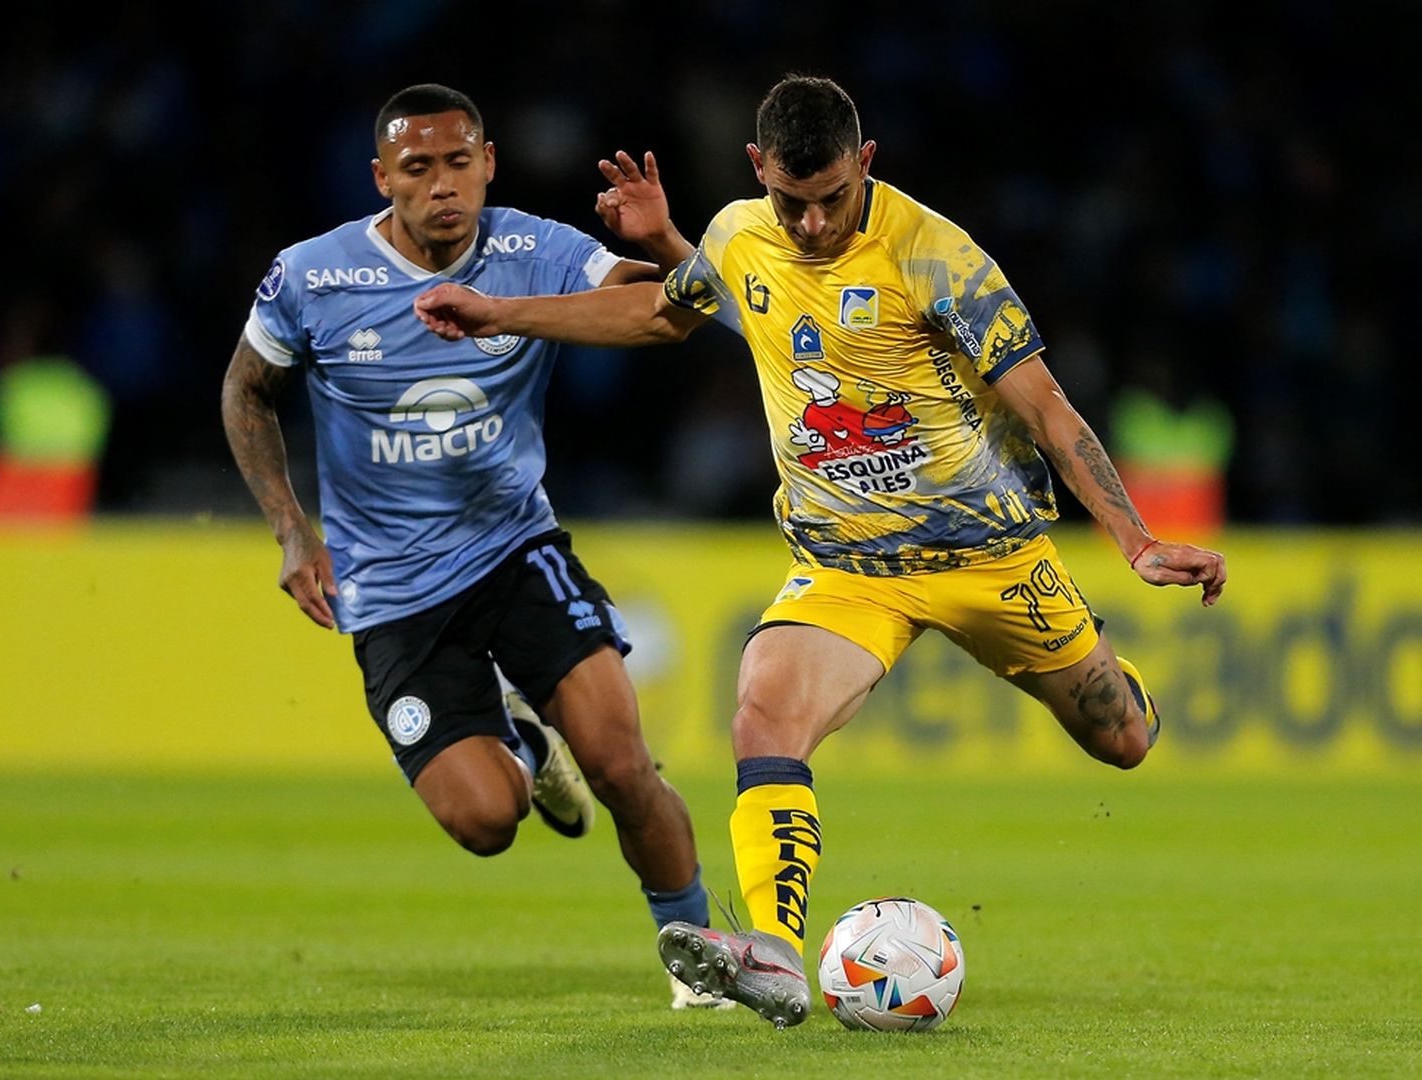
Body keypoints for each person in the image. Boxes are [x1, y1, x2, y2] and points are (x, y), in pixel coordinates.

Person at [413, 75, 1228, 1029]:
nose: (808, 224)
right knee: (762, 717)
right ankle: (775, 953)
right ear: (758, 169)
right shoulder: (736, 233)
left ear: (866, 164)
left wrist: (1132, 539)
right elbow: (663, 314)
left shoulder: (936, 255)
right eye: (789, 201)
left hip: (988, 558)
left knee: (1121, 739)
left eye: (831, 199)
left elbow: (1043, 403)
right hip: (848, 570)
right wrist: (501, 314)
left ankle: (1115, 677)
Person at [220, 83, 732, 1011]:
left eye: (460, 163)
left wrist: (662, 243)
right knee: (485, 822)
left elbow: (676, 312)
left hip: (516, 552)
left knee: (623, 766)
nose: (443, 186)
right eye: (418, 169)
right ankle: (525, 753)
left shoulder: (538, 251)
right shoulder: (313, 277)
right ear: (383, 179)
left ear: (489, 162)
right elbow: (246, 390)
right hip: (391, 598)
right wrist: (293, 531)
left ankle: (700, 957)